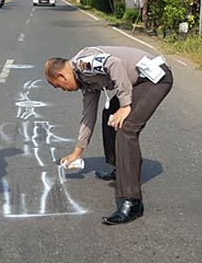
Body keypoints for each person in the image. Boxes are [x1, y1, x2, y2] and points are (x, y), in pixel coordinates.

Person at [45, 46, 173, 225]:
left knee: (126, 128)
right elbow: (89, 116)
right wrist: (77, 152)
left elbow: (114, 64)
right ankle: (120, 169)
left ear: (62, 76)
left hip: (155, 78)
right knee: (110, 115)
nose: (63, 90)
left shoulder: (83, 64)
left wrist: (125, 105)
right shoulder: (84, 79)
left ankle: (132, 201)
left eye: (59, 86)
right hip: (140, 80)